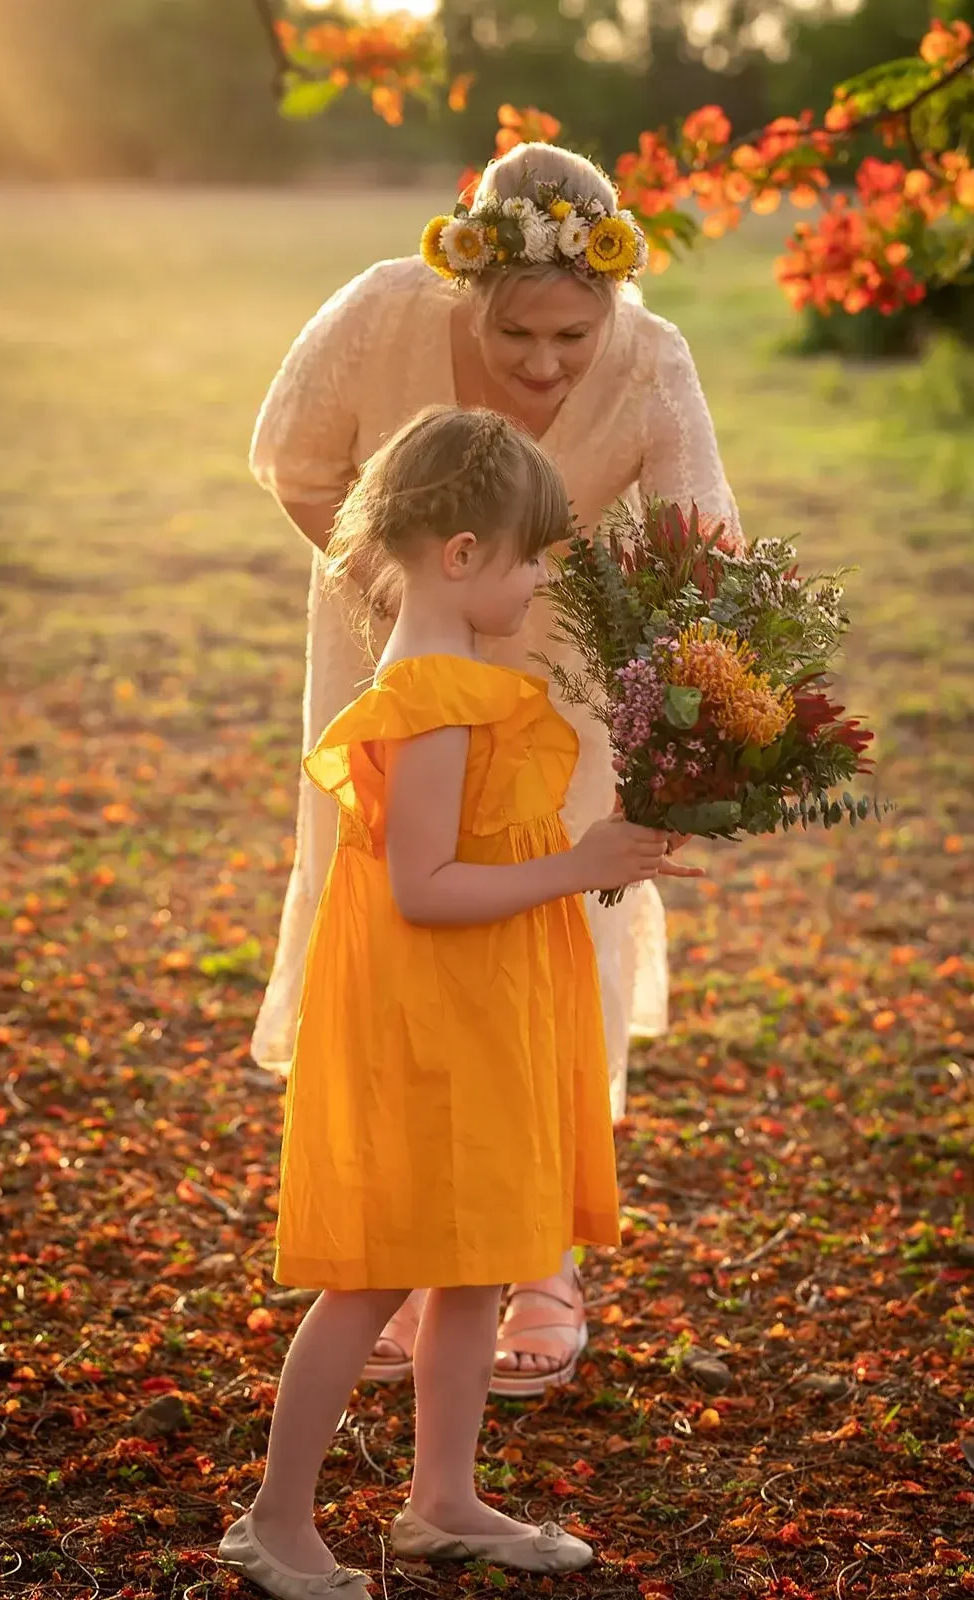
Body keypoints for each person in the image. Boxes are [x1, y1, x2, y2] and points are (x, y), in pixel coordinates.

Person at [249, 140, 740, 1395]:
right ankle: (412, 1245)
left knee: (553, 938)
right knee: (403, 936)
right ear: (465, 285)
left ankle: (538, 1259)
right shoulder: (382, 312)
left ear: (613, 299)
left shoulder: (654, 359)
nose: (543, 363)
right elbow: (293, 461)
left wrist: (700, 725)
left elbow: (704, 546)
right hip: (399, 652)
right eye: (516, 332)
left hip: (558, 690)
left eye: (573, 336)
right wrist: (404, 589)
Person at [219, 406, 704, 1599]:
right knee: (378, 1270)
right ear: (463, 553)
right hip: (428, 1017)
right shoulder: (432, 697)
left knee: (477, 1253)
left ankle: (441, 1499)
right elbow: (425, 888)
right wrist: (579, 865)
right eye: (532, 559)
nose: (540, 582)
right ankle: (275, 1520)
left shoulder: (463, 680)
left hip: (479, 1006)